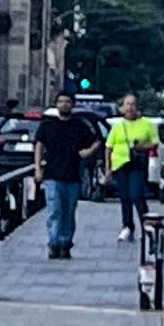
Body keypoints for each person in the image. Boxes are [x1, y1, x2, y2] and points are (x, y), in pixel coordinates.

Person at [32, 90, 102, 257]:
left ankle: (65, 243)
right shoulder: (48, 125)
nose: (64, 105)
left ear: (72, 105)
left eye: (67, 102)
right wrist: (37, 168)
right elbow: (39, 146)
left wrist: (87, 152)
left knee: (68, 212)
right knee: (54, 211)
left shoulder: (79, 125)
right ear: (56, 105)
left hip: (73, 175)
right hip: (52, 175)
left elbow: (97, 141)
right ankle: (54, 243)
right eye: (61, 102)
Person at [104, 94, 159, 240]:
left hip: (137, 164)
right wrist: (108, 168)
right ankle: (127, 226)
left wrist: (142, 146)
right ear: (122, 107)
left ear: (137, 106)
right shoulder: (118, 126)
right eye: (127, 104)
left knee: (136, 194)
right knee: (124, 196)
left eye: (133, 104)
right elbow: (108, 147)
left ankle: (146, 224)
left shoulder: (146, 124)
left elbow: (154, 143)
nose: (130, 108)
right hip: (120, 164)